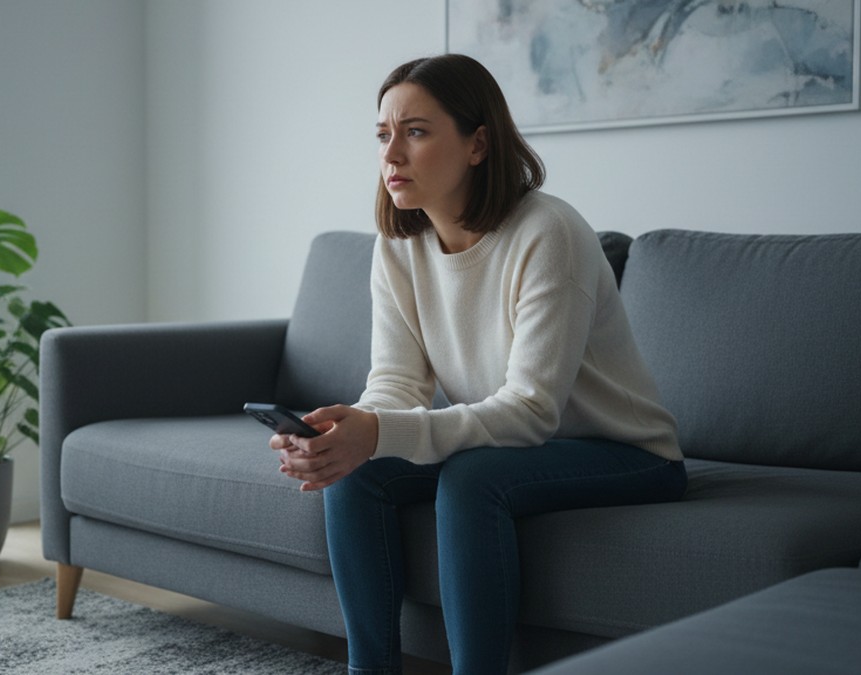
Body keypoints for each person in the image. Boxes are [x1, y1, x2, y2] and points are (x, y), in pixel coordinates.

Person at [270, 54, 686, 675]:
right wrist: (352, 432)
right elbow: (397, 382)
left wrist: (383, 432)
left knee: (472, 478)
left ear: (478, 144)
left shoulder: (550, 232)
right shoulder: (399, 244)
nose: (391, 155)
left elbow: (532, 412)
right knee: (358, 471)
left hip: (626, 453)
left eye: (416, 132)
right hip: (516, 446)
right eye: (384, 136)